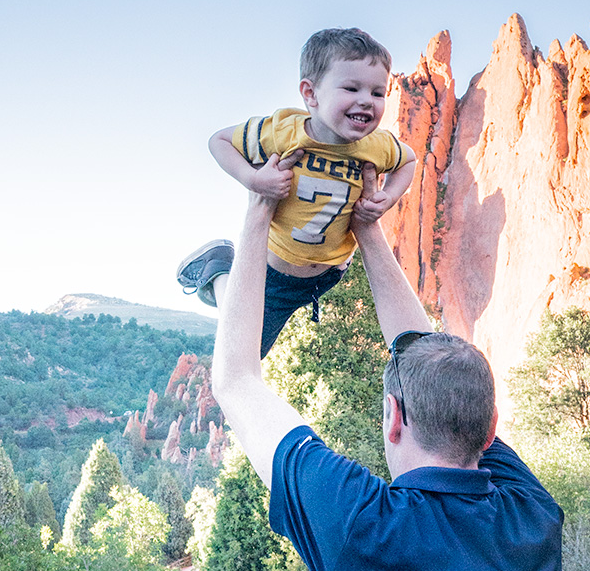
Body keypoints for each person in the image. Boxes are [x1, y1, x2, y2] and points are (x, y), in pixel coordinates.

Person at [211, 182, 564, 571]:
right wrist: (370, 231)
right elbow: (425, 359)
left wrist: (261, 209)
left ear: (393, 418)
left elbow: (236, 380)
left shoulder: (364, 531)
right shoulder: (534, 519)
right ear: (489, 431)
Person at [177, 27, 417, 356]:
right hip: (274, 276)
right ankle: (219, 271)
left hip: (330, 273)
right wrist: (253, 179)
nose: (366, 100)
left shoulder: (378, 146)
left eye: (378, 93)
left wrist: (388, 198)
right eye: (351, 87)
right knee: (246, 349)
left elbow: (409, 161)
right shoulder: (282, 132)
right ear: (311, 94)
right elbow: (218, 141)